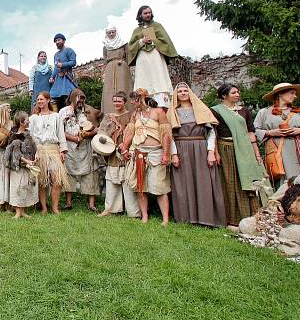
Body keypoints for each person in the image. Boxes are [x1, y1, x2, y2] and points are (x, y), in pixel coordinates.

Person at [167, 82, 226, 227]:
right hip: (181, 149)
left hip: (200, 148)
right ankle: (187, 218)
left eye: (185, 90)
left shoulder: (201, 109)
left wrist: (210, 152)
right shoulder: (171, 112)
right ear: (176, 94)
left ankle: (206, 218)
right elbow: (170, 136)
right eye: (179, 91)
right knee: (183, 183)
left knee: (204, 182)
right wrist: (173, 154)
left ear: (190, 93)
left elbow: (211, 132)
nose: (182, 93)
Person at [210, 84, 267, 226]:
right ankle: (233, 218)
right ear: (224, 95)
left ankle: (255, 215)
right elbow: (213, 134)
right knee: (231, 181)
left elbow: (250, 132)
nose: (237, 94)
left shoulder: (244, 111)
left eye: (238, 92)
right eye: (233, 92)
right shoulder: (216, 111)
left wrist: (257, 154)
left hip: (246, 149)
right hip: (227, 148)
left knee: (250, 180)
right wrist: (215, 152)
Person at [121, 89, 172, 225]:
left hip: (156, 152)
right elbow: (130, 133)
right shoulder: (135, 114)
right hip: (139, 153)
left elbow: (166, 134)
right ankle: (144, 216)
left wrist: (166, 154)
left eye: (135, 99)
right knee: (140, 186)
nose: (132, 102)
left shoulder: (159, 112)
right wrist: (125, 149)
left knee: (159, 186)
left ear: (144, 98)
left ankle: (165, 219)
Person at [254, 83, 300, 186]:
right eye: (292, 93)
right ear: (280, 94)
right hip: (280, 152)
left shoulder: (299, 112)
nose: (295, 96)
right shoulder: (264, 112)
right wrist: (271, 132)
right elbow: (254, 131)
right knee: (286, 182)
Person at [97, 92, 140, 218]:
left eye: (119, 101)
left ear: (125, 102)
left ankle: (133, 212)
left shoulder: (131, 116)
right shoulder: (108, 117)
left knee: (128, 181)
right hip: (112, 152)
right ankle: (111, 209)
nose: (116, 103)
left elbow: (133, 131)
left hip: (126, 152)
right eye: (114, 101)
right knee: (112, 181)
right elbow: (101, 134)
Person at [126, 6, 178, 109]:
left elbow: (165, 42)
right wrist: (141, 42)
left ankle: (162, 105)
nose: (148, 15)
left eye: (149, 13)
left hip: (156, 56)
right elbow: (131, 46)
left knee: (158, 76)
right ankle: (143, 101)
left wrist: (153, 41)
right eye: (145, 13)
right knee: (142, 78)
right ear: (140, 15)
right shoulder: (137, 30)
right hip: (142, 58)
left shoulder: (158, 26)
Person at [60, 88, 101, 211]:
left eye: (83, 98)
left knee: (90, 173)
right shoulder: (63, 112)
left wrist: (88, 134)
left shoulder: (89, 111)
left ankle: (92, 204)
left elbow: (96, 128)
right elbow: (60, 131)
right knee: (69, 174)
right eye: (79, 98)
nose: (81, 101)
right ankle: (68, 203)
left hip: (86, 148)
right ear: (72, 98)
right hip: (69, 148)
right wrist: (73, 138)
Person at [29, 91, 69, 214]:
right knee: (42, 181)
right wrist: (35, 151)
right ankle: (44, 207)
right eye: (38, 100)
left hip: (53, 150)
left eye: (42, 99)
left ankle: (55, 207)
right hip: (40, 150)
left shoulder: (56, 116)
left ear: (48, 100)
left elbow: (61, 134)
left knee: (56, 180)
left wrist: (63, 150)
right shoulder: (34, 118)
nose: (39, 102)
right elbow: (30, 136)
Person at [4, 111, 38, 218]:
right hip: (17, 167)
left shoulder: (28, 134)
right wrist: (27, 161)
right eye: (27, 119)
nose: (29, 121)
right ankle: (17, 212)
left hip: (28, 166)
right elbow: (16, 154)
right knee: (17, 187)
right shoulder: (15, 135)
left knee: (25, 186)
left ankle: (22, 210)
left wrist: (37, 154)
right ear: (22, 122)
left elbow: (35, 146)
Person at [101, 25, 133, 115]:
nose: (111, 34)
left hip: (122, 67)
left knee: (124, 87)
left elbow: (128, 56)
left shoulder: (123, 43)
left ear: (116, 32)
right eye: (109, 32)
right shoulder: (105, 46)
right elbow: (105, 59)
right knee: (109, 90)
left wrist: (123, 62)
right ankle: (109, 113)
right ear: (106, 34)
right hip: (110, 69)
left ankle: (127, 113)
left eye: (113, 32)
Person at [49, 33, 77, 110]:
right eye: (56, 41)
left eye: (59, 40)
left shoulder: (69, 50)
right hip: (58, 79)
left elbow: (73, 62)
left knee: (68, 97)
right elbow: (55, 67)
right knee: (53, 97)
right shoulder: (56, 55)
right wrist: (52, 77)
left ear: (64, 40)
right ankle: (56, 117)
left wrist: (63, 65)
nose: (57, 42)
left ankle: (69, 115)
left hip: (67, 78)